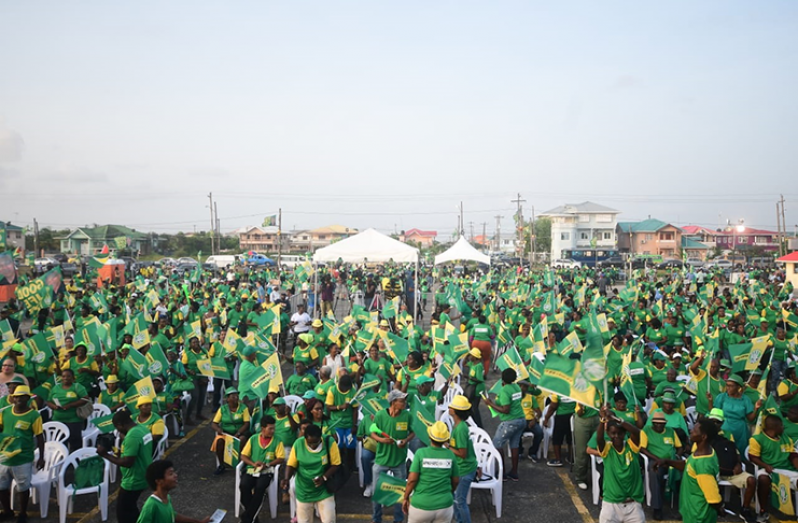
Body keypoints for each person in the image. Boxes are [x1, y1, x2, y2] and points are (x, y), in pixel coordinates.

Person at [97, 409, 154, 523]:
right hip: (144, 474)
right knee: (131, 508)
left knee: (123, 513)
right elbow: (139, 451)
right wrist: (120, 452)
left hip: (133, 480)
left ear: (120, 424)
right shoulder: (143, 429)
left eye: (116, 427)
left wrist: (104, 454)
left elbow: (127, 463)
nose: (117, 431)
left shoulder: (132, 437)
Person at [663, 419, 723, 523]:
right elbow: (687, 465)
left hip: (699, 515)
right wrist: (667, 462)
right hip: (691, 511)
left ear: (703, 437)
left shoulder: (703, 466)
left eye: (694, 431)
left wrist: (720, 510)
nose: (691, 431)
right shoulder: (703, 451)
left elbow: (713, 499)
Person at [0, 385, 44, 523]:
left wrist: (42, 457)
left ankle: (23, 513)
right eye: (17, 396)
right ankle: (7, 511)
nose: (19, 399)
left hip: (23, 458)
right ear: (13, 398)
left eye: (23, 396)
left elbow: (40, 438)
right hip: (4, 456)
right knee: (1, 487)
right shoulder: (4, 412)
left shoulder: (34, 415)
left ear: (28, 398)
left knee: (22, 488)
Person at [596, 405, 645, 523]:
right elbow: (599, 439)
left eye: (619, 433)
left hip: (633, 505)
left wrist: (616, 418)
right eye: (613, 433)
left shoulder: (632, 446)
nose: (616, 436)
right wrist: (603, 420)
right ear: (608, 433)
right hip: (611, 505)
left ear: (624, 434)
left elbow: (637, 432)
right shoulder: (607, 449)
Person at [403, 421, 459, 523]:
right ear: (445, 439)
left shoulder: (421, 453)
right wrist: (448, 493)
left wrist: (405, 497)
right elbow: (455, 481)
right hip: (445, 507)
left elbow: (411, 480)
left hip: (421, 507)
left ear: (429, 436)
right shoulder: (450, 455)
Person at [282, 424, 339, 523]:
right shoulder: (298, 444)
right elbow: (291, 465)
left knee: (329, 520)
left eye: (316, 442)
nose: (313, 446)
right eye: (310, 443)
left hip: (324, 490)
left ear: (320, 437)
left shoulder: (329, 442)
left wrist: (324, 477)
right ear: (305, 439)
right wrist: (286, 479)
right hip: (304, 491)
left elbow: (336, 464)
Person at [371, 390, 414, 523]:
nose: (404, 403)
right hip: (382, 459)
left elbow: (413, 432)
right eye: (401, 401)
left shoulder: (407, 415)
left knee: (400, 494)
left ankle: (398, 519)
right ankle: (376, 519)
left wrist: (406, 441)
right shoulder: (380, 415)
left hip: (399, 461)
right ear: (393, 402)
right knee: (376, 493)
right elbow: (373, 431)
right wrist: (382, 440)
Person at [749, 415, 798, 522]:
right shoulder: (757, 439)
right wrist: (765, 465)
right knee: (763, 479)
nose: (783, 428)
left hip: (786, 469)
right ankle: (763, 510)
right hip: (768, 468)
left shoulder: (785, 438)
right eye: (781, 426)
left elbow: (793, 455)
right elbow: (753, 457)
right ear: (775, 427)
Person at [482, 368, 526, 481]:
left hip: (510, 422)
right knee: (514, 445)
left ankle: (502, 473)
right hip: (521, 419)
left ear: (503, 379)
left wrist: (490, 404)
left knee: (496, 444)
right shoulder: (516, 387)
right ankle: (514, 472)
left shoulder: (505, 390)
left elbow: (506, 409)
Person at [240, 416, 285, 523]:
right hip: (252, 470)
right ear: (263, 428)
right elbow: (243, 456)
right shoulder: (253, 439)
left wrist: (268, 464)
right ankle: (252, 517)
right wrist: (253, 464)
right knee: (244, 485)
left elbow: (280, 458)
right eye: (270, 428)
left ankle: (247, 517)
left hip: (266, 471)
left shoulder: (277, 441)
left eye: (274, 428)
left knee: (260, 488)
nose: (272, 431)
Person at [640, 410, 683, 520]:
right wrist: (658, 460)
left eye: (661, 423)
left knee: (687, 474)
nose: (659, 425)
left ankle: (682, 507)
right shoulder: (646, 430)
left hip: (671, 461)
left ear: (665, 423)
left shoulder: (670, 431)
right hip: (656, 461)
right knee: (654, 473)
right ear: (653, 423)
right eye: (656, 423)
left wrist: (677, 457)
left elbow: (679, 447)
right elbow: (643, 449)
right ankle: (657, 508)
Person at [137, 460, 211, 523]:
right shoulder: (151, 505)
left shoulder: (167, 498)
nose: (175, 475)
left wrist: (199, 522)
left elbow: (173, 515)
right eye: (170, 474)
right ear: (159, 481)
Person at [709, 374, 761, 455]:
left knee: (740, 451)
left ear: (738, 387)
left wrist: (756, 409)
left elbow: (750, 418)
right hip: (725, 427)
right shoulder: (722, 397)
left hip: (740, 429)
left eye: (731, 386)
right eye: (727, 385)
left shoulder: (745, 399)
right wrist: (710, 401)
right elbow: (714, 412)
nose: (728, 388)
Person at [45, 368, 90, 452]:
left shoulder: (77, 387)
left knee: (75, 444)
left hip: (74, 421)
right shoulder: (55, 388)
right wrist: (54, 406)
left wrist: (70, 405)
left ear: (73, 377)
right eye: (63, 376)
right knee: (60, 444)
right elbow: (48, 401)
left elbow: (85, 399)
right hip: (58, 420)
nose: (66, 378)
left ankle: (74, 461)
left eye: (68, 376)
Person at [448, 395, 477, 523]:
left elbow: (462, 453)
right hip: (461, 468)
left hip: (464, 470)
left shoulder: (460, 429)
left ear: (455, 411)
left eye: (451, 406)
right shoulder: (459, 425)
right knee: (456, 499)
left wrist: (447, 446)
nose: (449, 407)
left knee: (460, 502)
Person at [210, 387, 251, 475]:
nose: (236, 398)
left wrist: (238, 433)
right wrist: (219, 429)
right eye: (233, 396)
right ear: (227, 399)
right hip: (226, 433)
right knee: (219, 441)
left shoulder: (243, 408)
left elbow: (246, 423)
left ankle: (242, 464)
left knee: (243, 439)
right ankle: (221, 465)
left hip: (240, 432)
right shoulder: (222, 409)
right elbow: (214, 423)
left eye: (236, 396)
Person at [181, 336, 212, 424]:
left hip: (203, 377)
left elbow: (209, 363)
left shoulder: (204, 352)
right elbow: (183, 366)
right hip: (192, 378)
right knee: (195, 396)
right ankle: (188, 417)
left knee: (202, 397)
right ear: (190, 344)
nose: (196, 344)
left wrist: (206, 376)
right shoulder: (187, 353)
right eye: (193, 342)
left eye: (197, 342)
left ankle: (198, 414)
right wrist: (189, 370)